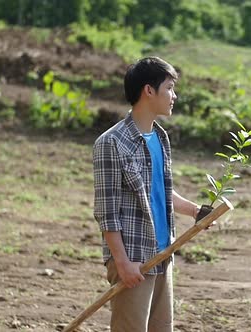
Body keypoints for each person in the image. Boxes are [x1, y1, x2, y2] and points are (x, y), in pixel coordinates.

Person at [92, 56, 209, 332]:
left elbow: (161, 191)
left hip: (162, 254)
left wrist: (195, 211)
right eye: (169, 88)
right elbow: (106, 213)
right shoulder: (110, 143)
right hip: (133, 258)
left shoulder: (159, 137)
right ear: (148, 90)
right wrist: (122, 263)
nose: (174, 96)